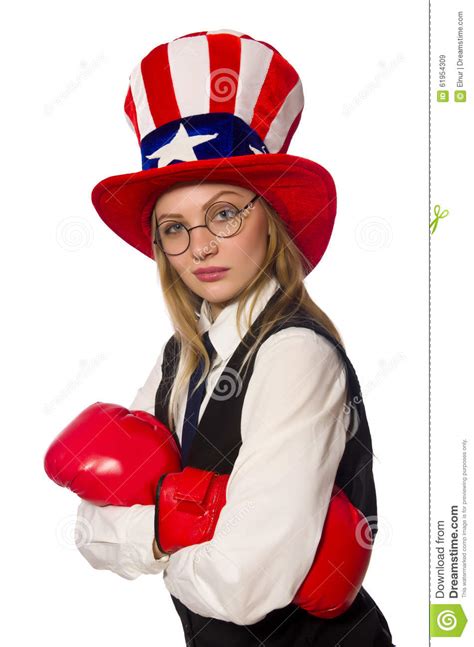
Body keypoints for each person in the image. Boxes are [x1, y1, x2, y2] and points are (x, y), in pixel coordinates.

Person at [75, 29, 396, 646]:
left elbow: (245, 584)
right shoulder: (180, 357)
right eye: (175, 227)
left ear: (269, 219)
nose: (199, 246)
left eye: (224, 212)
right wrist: (198, 520)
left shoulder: (295, 352)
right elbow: (91, 531)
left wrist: (157, 528)